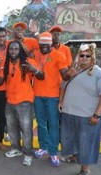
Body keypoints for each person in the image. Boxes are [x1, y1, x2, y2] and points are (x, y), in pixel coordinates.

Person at [60, 43, 101, 175]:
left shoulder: (100, 74)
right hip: (69, 113)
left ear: (92, 57)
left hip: (87, 115)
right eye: (81, 55)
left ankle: (85, 168)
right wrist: (61, 101)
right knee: (71, 139)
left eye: (87, 56)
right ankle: (74, 157)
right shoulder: (74, 70)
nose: (83, 58)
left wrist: (97, 115)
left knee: (86, 142)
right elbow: (63, 86)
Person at [0, 40, 43, 166]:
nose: (13, 51)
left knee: (26, 130)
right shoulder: (6, 63)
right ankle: (16, 148)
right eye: (11, 49)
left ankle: (28, 154)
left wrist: (34, 70)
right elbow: (0, 82)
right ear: (8, 51)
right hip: (10, 101)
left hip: (25, 102)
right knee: (12, 129)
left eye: (16, 49)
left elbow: (42, 76)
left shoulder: (28, 62)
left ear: (20, 50)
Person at [33, 32, 72, 167]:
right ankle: (43, 147)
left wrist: (70, 74)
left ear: (51, 44)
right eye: (42, 44)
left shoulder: (58, 55)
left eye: (46, 45)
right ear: (39, 44)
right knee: (41, 123)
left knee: (53, 124)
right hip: (37, 95)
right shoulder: (36, 54)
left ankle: (53, 151)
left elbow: (65, 75)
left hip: (53, 97)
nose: (44, 47)